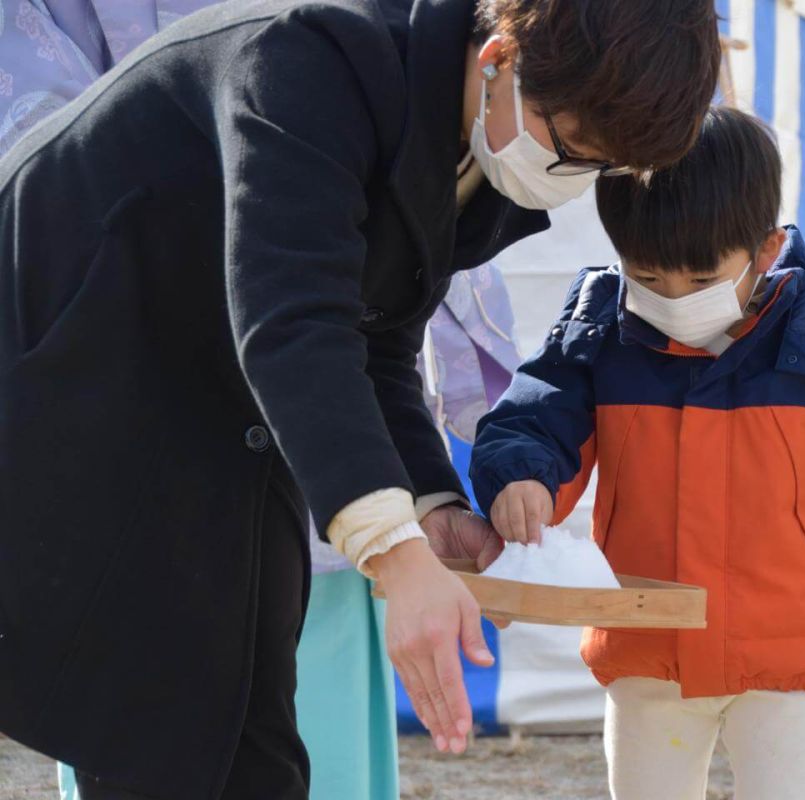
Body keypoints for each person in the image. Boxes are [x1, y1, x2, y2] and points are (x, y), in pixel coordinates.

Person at [0, 0, 722, 796]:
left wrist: (431, 502)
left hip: (213, 392)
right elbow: (295, 322)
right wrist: (394, 554)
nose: (571, 175)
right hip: (66, 372)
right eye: (573, 144)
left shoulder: (470, 143)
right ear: (500, 59)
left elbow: (376, 333)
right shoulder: (309, 60)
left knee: (249, 713)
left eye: (599, 165)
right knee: (152, 719)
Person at [470, 107, 805, 800]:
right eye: (647, 275)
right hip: (646, 644)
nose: (671, 298)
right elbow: (537, 417)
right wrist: (521, 473)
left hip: (788, 653)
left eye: (700, 281)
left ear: (763, 250)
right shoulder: (599, 325)